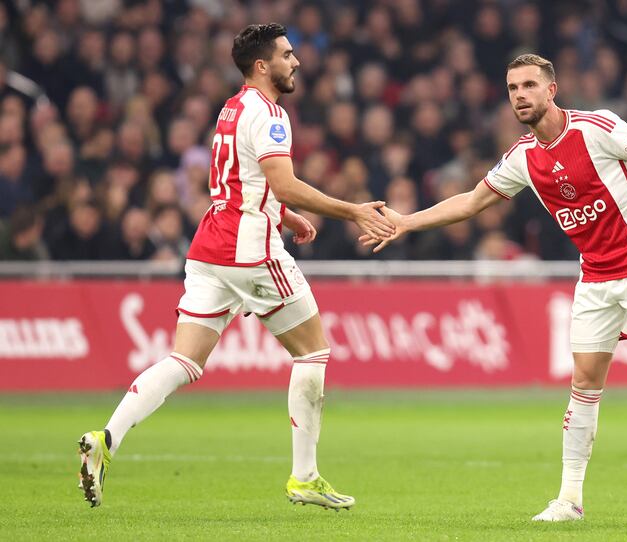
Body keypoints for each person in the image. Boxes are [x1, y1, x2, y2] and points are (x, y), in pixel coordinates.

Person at [363, 54, 627, 524]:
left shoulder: (596, 128)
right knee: (583, 383)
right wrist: (406, 222)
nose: (520, 95)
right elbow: (473, 201)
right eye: (513, 87)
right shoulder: (522, 157)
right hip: (596, 273)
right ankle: (570, 500)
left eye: (529, 85)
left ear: (551, 90)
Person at [77, 23, 395, 510]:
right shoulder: (271, 115)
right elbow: (282, 183)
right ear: (263, 65)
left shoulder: (231, 107)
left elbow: (240, 180)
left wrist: (286, 216)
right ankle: (305, 477)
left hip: (209, 250)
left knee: (184, 361)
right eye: (288, 55)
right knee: (312, 354)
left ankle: (106, 438)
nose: (297, 62)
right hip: (252, 251)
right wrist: (351, 210)